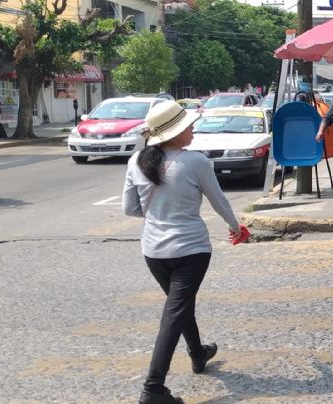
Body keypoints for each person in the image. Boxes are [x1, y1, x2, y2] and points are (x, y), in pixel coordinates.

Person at [122, 101, 242, 404]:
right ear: (173, 134)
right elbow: (218, 201)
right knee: (174, 313)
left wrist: (159, 216)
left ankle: (198, 353)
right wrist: (234, 227)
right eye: (187, 125)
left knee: (179, 306)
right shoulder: (195, 161)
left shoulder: (136, 160)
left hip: (153, 251)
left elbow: (130, 209)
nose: (192, 129)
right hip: (191, 250)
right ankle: (153, 389)